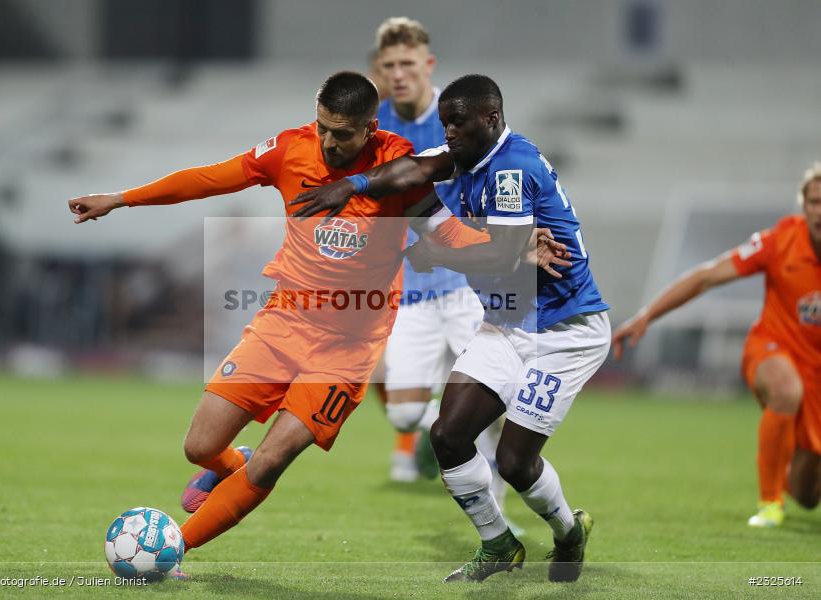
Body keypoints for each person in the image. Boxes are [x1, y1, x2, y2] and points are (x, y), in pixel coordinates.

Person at [68, 71, 568, 560]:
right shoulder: (291, 148)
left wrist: (515, 248)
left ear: (370, 128)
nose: (328, 141)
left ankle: (175, 547)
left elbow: (446, 234)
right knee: (199, 448)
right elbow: (209, 179)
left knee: (270, 461)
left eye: (342, 133)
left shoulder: (396, 165)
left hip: (349, 348)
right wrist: (121, 198)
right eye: (322, 127)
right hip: (282, 323)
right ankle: (228, 465)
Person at [291, 74, 610, 583]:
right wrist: (351, 184)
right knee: (448, 433)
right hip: (507, 321)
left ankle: (569, 531)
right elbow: (416, 167)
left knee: (513, 463)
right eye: (445, 123)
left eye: (459, 122)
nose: (450, 131)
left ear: (492, 118)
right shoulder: (470, 152)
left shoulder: (511, 168)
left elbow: (505, 259)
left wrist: (427, 250)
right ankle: (497, 543)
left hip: (563, 332)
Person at [613, 163, 821, 527]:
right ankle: (770, 503)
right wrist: (647, 315)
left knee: (807, 494)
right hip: (773, 349)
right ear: (803, 206)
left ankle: (785, 464)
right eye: (814, 202)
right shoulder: (780, 241)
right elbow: (708, 276)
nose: (820, 211)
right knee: (786, 390)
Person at [372, 17, 510, 505]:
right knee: (404, 415)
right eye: (389, 65)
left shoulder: (456, 117)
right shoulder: (376, 126)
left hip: (469, 286)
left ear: (428, 64)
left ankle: (500, 519)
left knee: (489, 404)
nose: (398, 73)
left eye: (407, 63)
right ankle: (434, 422)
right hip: (412, 289)